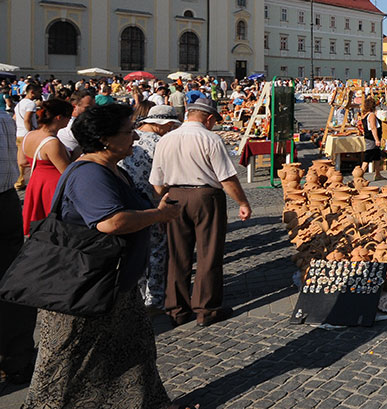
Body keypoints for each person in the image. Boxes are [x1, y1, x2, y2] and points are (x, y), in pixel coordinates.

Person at [22, 103, 182, 408]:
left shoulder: (112, 169)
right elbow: (110, 222)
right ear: (105, 139)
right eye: (127, 131)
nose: (135, 137)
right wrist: (157, 215)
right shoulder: (90, 174)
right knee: (69, 364)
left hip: (114, 285)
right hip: (86, 289)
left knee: (133, 354)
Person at [149, 97, 251, 328]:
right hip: (206, 197)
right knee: (209, 253)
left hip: (174, 196)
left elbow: (156, 181)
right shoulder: (210, 138)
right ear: (209, 118)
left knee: (177, 255)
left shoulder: (166, 140)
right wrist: (242, 202)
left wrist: (162, 200)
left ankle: (177, 309)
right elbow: (226, 177)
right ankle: (206, 309)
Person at [120, 105, 183, 310]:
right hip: (154, 202)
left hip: (127, 201)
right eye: (170, 126)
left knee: (134, 248)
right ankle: (155, 297)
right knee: (156, 250)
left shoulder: (128, 137)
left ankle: (136, 296)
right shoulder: (161, 142)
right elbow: (166, 178)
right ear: (163, 125)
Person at [0, 104, 35, 385]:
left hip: (6, 201)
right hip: (6, 202)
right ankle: (16, 359)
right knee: (11, 281)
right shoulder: (5, 119)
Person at [20, 98, 74, 235]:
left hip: (36, 182)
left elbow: (22, 161)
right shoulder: (52, 142)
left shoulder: (29, 135)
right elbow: (67, 171)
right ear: (59, 117)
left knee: (39, 225)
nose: (69, 120)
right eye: (68, 117)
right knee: (53, 226)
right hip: (52, 186)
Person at [13, 82, 41, 190]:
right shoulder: (31, 104)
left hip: (19, 133)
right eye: (38, 92)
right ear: (32, 92)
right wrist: (31, 132)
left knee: (20, 160)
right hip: (26, 134)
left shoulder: (20, 103)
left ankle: (19, 181)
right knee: (31, 159)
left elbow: (15, 118)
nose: (40, 94)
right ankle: (30, 181)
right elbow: (27, 119)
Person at [57, 88, 95, 158]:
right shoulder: (72, 125)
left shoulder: (67, 121)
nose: (92, 111)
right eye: (87, 108)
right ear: (74, 107)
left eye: (94, 108)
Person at [360, 96, 384, 180]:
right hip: (371, 138)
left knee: (377, 156)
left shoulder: (364, 115)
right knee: (368, 156)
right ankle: (360, 176)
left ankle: (378, 174)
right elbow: (373, 127)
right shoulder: (371, 115)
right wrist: (377, 139)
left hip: (369, 137)